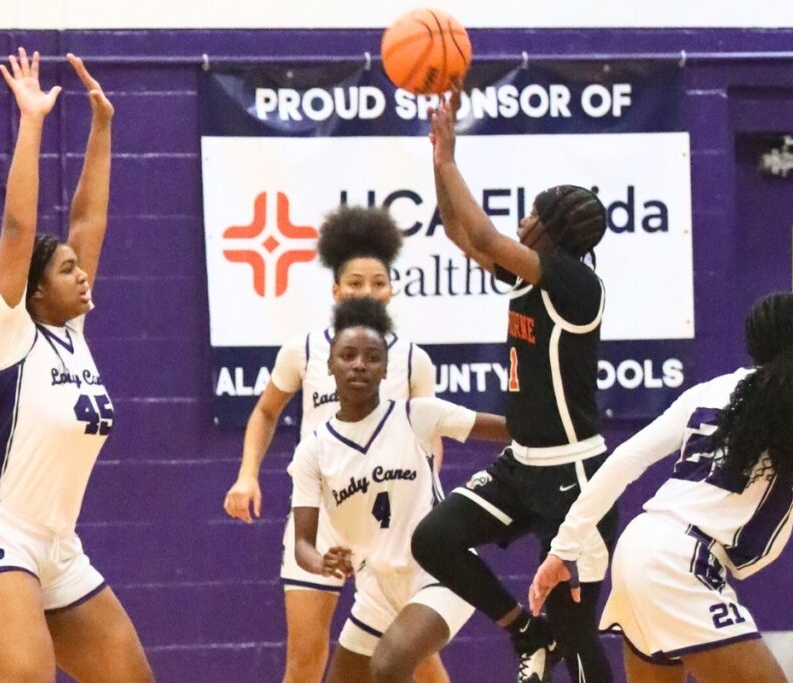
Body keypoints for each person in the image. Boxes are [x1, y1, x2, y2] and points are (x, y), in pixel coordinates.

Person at [529, 292, 793, 683]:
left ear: (751, 343)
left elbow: (623, 461)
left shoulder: (703, 393)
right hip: (680, 560)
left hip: (639, 544)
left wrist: (564, 547)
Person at [0, 49, 153, 682]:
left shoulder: (71, 331)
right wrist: (32, 122)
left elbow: (88, 218)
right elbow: (17, 226)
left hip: (58, 547)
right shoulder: (8, 331)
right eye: (66, 270)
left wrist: (103, 126)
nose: (83, 273)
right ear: (33, 290)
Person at [410, 91, 615, 683]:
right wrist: (436, 157)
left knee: (578, 638)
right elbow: (461, 233)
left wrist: (451, 159)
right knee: (436, 540)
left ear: (546, 231)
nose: (518, 220)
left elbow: (485, 236)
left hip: (574, 478)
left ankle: (552, 637)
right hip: (522, 467)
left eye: (529, 214)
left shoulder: (578, 285)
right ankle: (526, 631)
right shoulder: (531, 276)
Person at [222, 206, 447, 683]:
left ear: (392, 289)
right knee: (304, 662)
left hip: (391, 527)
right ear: (335, 290)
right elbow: (265, 411)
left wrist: (426, 504)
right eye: (355, 282)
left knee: (421, 660)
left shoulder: (411, 360)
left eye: (378, 283)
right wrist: (247, 474)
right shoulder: (303, 350)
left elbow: (431, 439)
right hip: (322, 520)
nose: (367, 292)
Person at [291, 297, 511, 683]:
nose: (359, 364)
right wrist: (321, 561)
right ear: (330, 365)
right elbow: (303, 545)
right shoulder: (313, 449)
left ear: (385, 368)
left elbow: (510, 431)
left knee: (391, 666)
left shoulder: (417, 416)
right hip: (375, 586)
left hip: (442, 570)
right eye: (348, 355)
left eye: (372, 357)